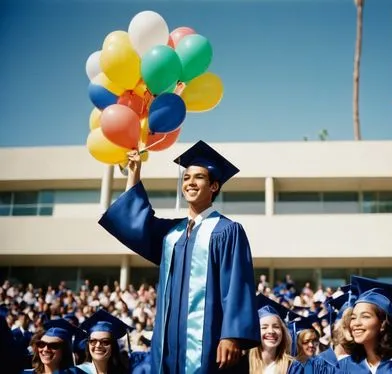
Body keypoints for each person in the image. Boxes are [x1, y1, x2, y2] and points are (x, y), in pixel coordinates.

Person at [99, 140, 260, 373]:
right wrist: (134, 173)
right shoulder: (172, 234)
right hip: (166, 344)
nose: (190, 183)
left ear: (214, 186)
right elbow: (137, 224)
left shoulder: (227, 231)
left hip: (208, 343)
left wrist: (231, 336)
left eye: (198, 177)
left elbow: (237, 284)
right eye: (186, 178)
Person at [336, 276, 392, 373]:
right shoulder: (345, 366)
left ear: (382, 323)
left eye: (365, 316)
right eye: (353, 317)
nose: (356, 323)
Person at [249, 295, 302, 373]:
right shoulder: (244, 365)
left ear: (283, 332)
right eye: (264, 327)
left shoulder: (293, 367)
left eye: (276, 327)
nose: (271, 331)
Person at [77, 309, 132, 374]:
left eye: (105, 342)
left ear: (113, 346)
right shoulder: (77, 372)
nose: (98, 345)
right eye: (93, 341)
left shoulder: (123, 372)